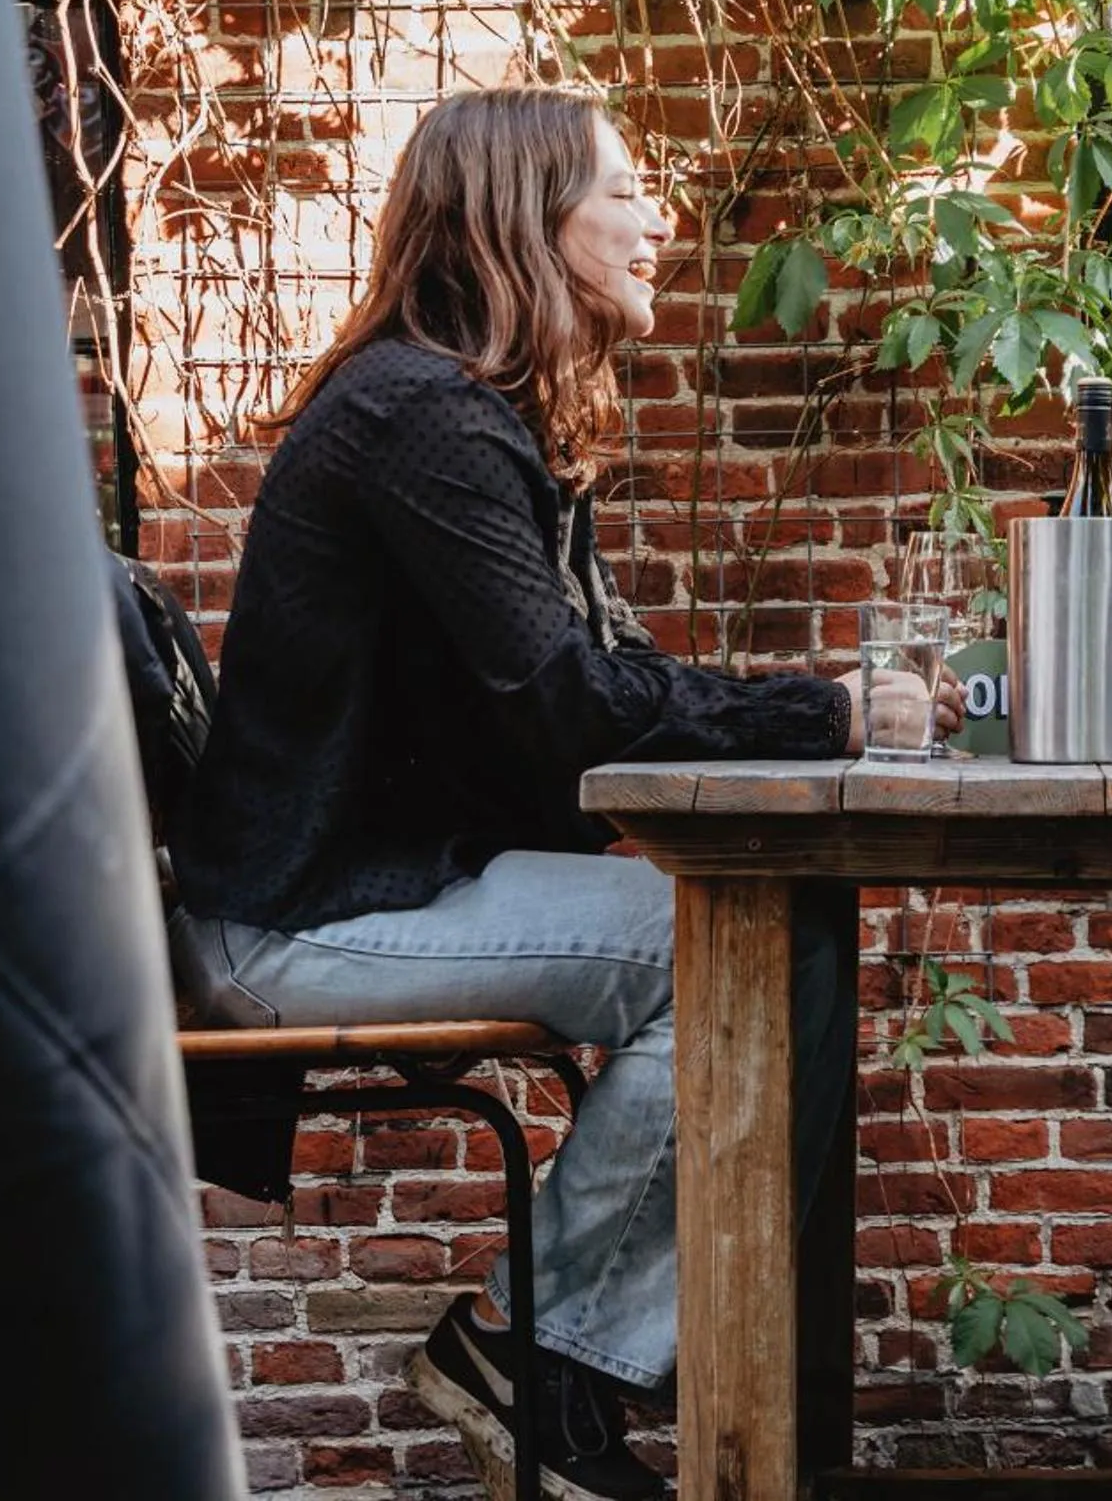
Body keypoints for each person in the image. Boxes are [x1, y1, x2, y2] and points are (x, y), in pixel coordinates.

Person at [167, 86, 959, 1501]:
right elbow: (569, 710)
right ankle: (544, 1360)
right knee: (745, 939)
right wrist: (827, 711)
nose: (661, 218)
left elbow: (582, 686)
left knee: (780, 923)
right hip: (296, 926)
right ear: (522, 220)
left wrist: (795, 711)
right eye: (626, 191)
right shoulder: (423, 417)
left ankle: (553, 1361)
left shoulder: (470, 416)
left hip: (381, 886)